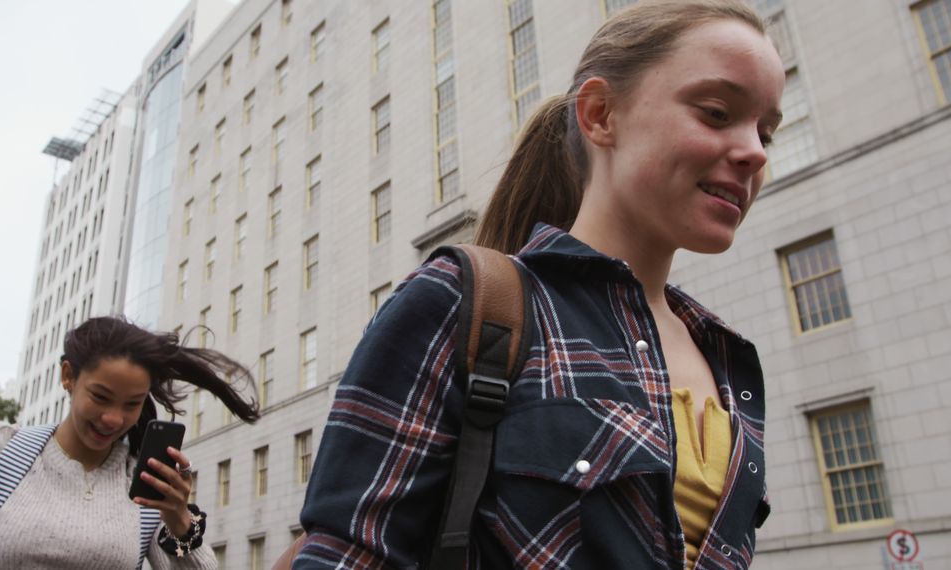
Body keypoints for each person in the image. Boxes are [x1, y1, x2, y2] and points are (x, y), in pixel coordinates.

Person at [295, 0, 784, 568]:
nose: (753, 152)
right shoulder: (460, 303)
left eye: (766, 133)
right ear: (600, 113)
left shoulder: (728, 357)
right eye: (718, 112)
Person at [0, 316, 259, 569]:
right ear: (68, 376)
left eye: (132, 404)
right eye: (101, 397)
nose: (113, 419)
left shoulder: (145, 487)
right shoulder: (2, 455)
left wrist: (179, 521)